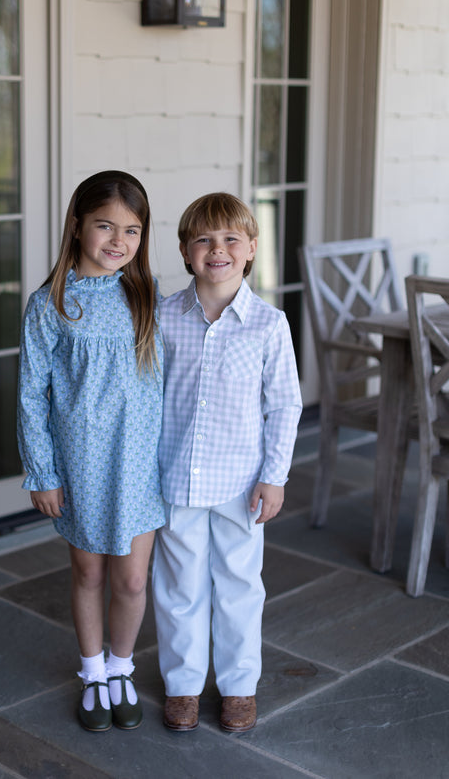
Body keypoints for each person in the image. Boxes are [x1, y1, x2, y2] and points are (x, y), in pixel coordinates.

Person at [17, 170, 164, 733]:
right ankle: (93, 673)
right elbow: (32, 394)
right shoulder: (51, 304)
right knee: (89, 573)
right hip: (81, 464)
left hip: (139, 463)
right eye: (105, 226)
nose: (118, 241)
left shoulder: (146, 295)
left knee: (132, 579)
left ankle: (121, 667)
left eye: (132, 230)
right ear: (77, 225)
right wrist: (42, 472)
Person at [152, 192, 302, 734]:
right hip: (176, 479)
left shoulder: (268, 324)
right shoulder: (165, 317)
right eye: (204, 240)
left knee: (239, 585)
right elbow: (149, 397)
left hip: (241, 483)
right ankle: (183, 686)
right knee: (179, 589)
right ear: (185, 251)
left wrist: (274, 477)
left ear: (251, 249)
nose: (217, 249)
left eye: (230, 239)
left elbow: (284, 405)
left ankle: (239, 685)